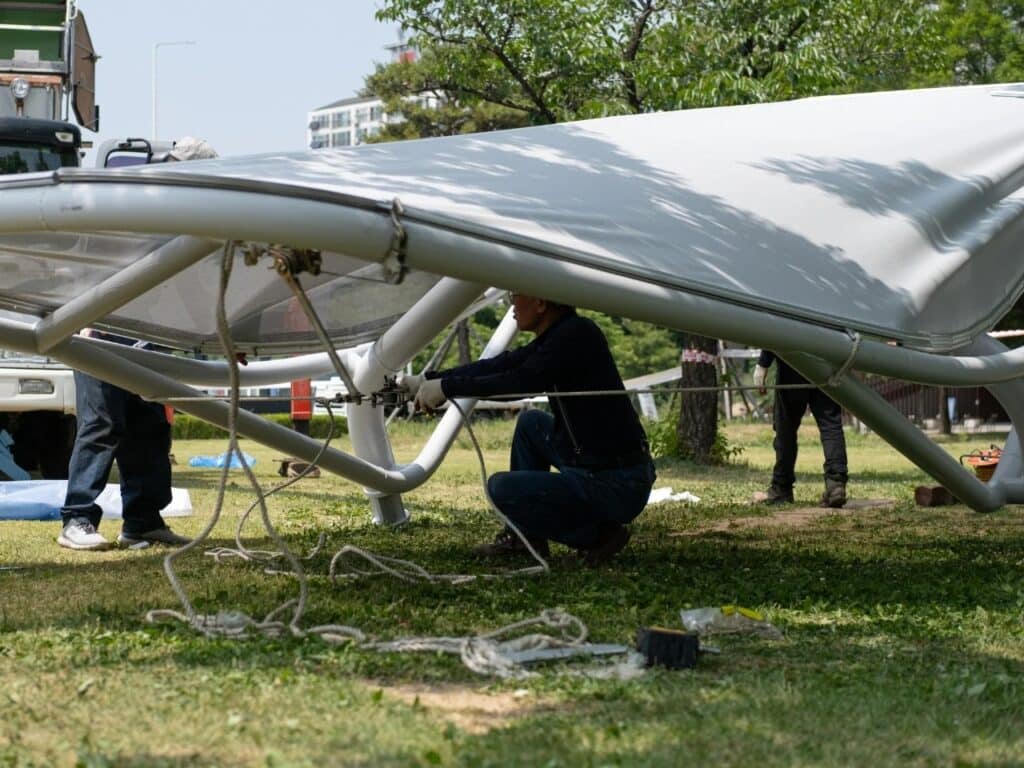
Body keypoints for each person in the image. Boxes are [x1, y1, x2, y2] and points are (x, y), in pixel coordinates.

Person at [401, 293, 656, 565]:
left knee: (501, 488)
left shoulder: (574, 336)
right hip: (596, 465)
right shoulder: (560, 335)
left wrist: (446, 388)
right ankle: (525, 538)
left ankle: (600, 536)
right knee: (531, 423)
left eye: (515, 296)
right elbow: (501, 365)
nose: (511, 304)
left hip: (617, 483)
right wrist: (430, 379)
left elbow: (519, 381)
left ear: (541, 302)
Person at [57, 331, 191, 550]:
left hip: (145, 345)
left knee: (149, 427)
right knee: (102, 424)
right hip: (97, 337)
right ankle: (77, 518)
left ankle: (142, 522)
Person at [754, 350, 848, 508]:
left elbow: (778, 326)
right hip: (825, 361)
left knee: (786, 428)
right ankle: (836, 484)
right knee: (830, 426)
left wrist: (763, 364)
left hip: (792, 361)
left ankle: (781, 488)